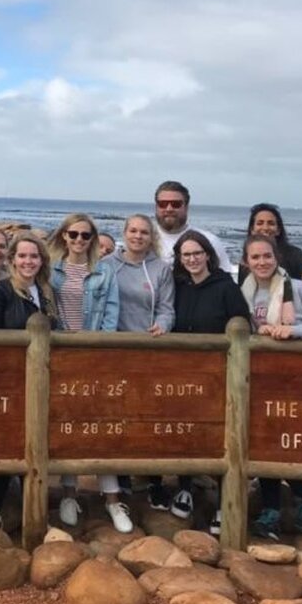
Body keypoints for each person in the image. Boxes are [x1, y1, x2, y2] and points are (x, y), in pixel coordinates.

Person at [242, 233, 302, 540]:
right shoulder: (243, 294)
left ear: (276, 258)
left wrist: (294, 330)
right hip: (259, 379)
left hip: (296, 382)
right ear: (246, 262)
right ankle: (271, 509)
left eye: (266, 256)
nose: (261, 262)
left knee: (282, 443)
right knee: (260, 442)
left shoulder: (297, 290)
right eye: (255, 257)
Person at [48, 213, 130, 533]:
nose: (79, 240)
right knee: (67, 426)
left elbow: (111, 314)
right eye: (74, 234)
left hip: (93, 356)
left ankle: (112, 500)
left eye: (85, 235)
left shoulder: (104, 271)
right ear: (64, 236)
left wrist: (99, 351)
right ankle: (70, 494)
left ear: (93, 239)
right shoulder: (52, 269)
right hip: (60, 356)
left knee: (100, 427)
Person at [171, 230, 250, 534]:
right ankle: (185, 487)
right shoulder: (178, 287)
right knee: (186, 430)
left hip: (220, 374)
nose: (192, 259)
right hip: (183, 373)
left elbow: (242, 325)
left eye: (197, 253)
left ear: (208, 255)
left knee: (221, 434)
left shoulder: (226, 288)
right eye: (186, 254)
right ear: (180, 258)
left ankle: (222, 503)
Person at [0, 232, 57, 527]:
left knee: (38, 440)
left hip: (41, 380)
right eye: (23, 256)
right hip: (10, 380)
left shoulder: (48, 293)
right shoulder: (0, 291)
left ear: (42, 260)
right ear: (12, 260)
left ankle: (35, 507)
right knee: (7, 441)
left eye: (34, 256)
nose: (28, 261)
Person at [109, 214, 175, 511]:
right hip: (114, 353)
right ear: (124, 233)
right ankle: (120, 478)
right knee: (118, 415)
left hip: (149, 352)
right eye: (133, 231)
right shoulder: (108, 264)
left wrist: (162, 326)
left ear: (151, 237)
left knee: (150, 417)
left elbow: (167, 308)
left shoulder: (161, 269)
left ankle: (154, 481)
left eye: (144, 232)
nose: (138, 236)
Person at [237, 203, 302, 306]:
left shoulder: (294, 254)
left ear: (278, 230)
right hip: (257, 313)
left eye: (271, 223)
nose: (265, 227)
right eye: (260, 223)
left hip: (293, 311)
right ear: (252, 230)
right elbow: (242, 294)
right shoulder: (247, 259)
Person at [153, 181, 232, 272]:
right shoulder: (144, 241)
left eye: (176, 204)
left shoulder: (209, 241)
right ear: (156, 207)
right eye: (163, 204)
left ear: (186, 207)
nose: (169, 209)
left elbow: (224, 279)